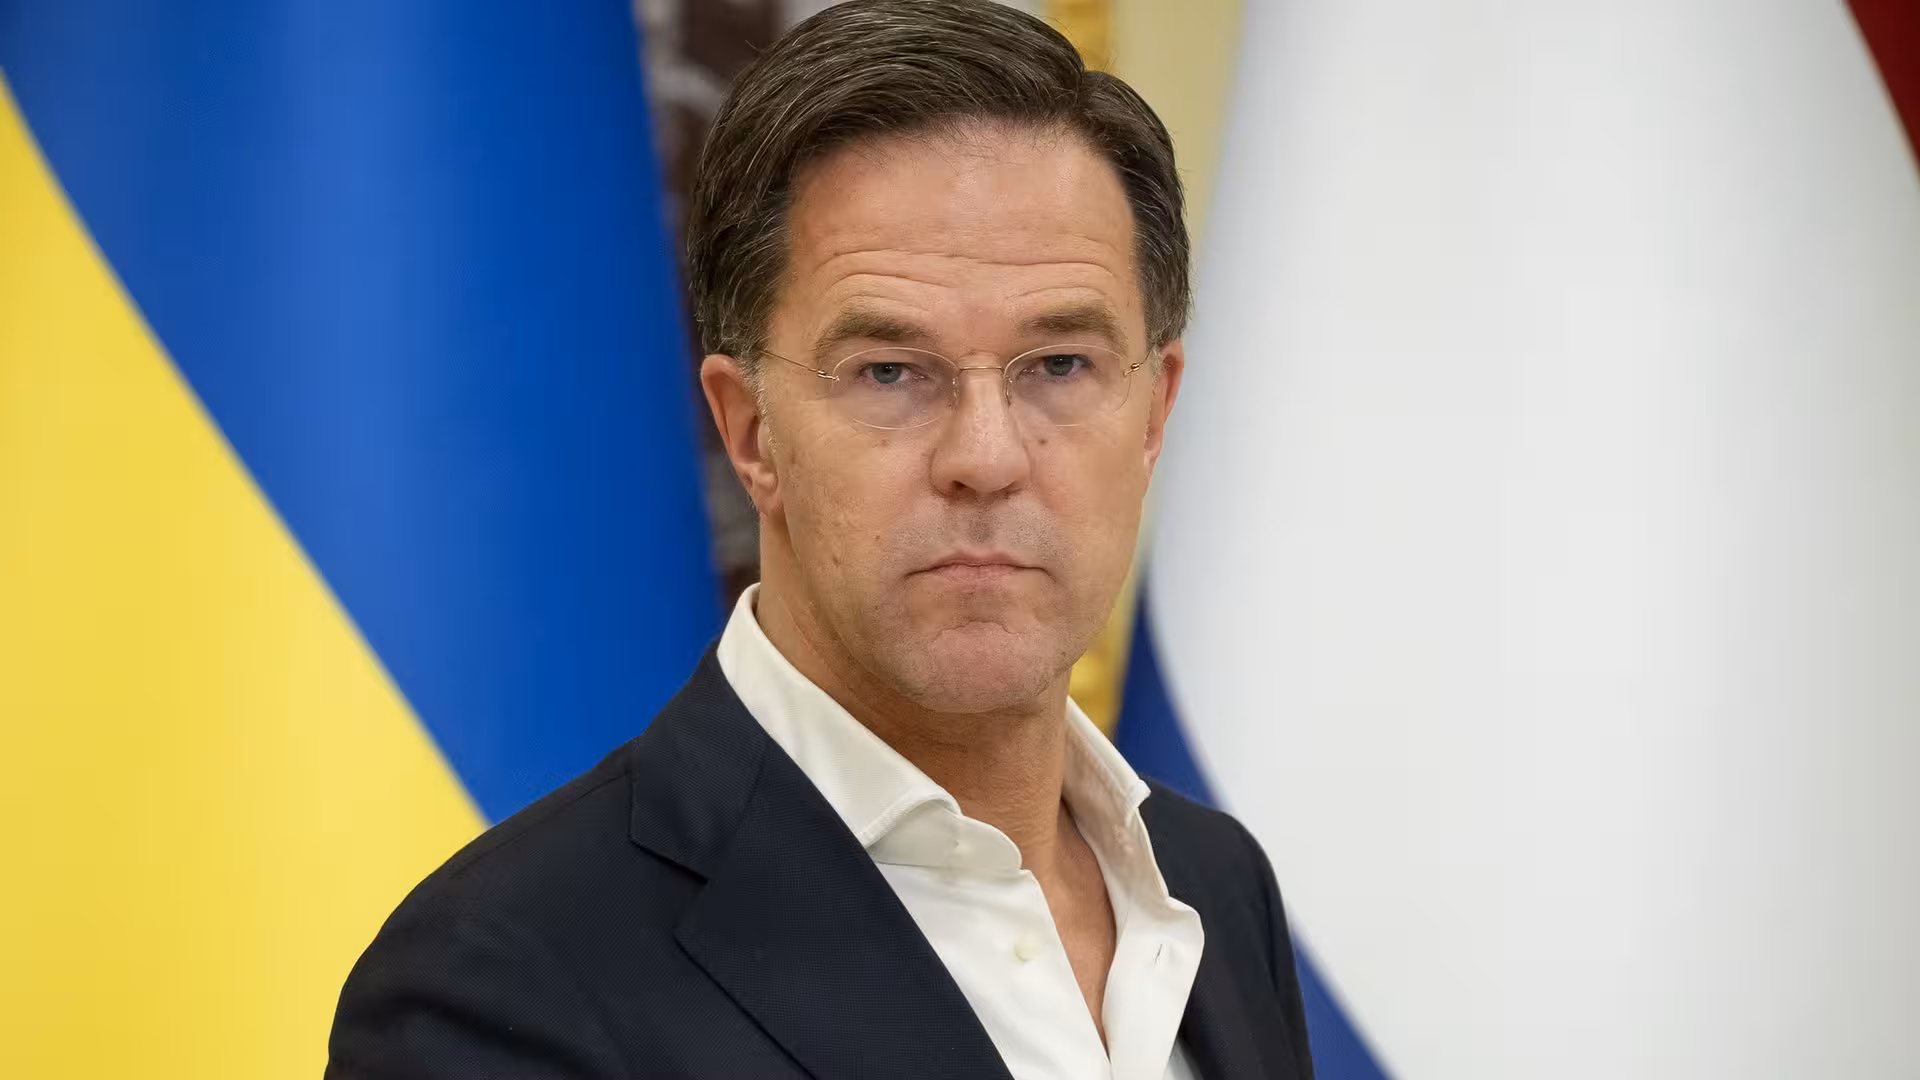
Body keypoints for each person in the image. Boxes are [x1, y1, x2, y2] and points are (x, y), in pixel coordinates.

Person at [326, 1, 1313, 1076]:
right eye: (889, 372)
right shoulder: (501, 980)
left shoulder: (1216, 886)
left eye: (1061, 365)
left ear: (1154, 411)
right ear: (750, 432)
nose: (986, 457)